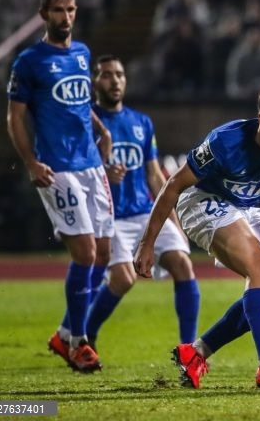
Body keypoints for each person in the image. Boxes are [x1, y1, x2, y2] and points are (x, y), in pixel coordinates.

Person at [133, 82, 260, 389]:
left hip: (244, 208)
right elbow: (173, 186)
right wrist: (147, 243)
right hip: (201, 201)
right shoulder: (226, 142)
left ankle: (196, 353)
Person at [6, 0, 114, 372]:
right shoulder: (29, 61)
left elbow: (80, 104)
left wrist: (101, 129)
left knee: (103, 253)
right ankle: (79, 342)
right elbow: (14, 117)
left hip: (91, 166)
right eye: (57, 10)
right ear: (43, 15)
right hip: (58, 168)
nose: (65, 17)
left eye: (70, 10)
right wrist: (31, 162)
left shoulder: (83, 53)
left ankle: (64, 334)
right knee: (85, 253)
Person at [88, 55, 200, 351]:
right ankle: (85, 334)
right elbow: (78, 171)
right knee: (124, 280)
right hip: (109, 216)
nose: (115, 81)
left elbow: (153, 175)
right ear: (94, 82)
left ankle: (189, 350)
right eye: (108, 75)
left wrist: (173, 220)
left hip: (143, 213)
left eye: (120, 75)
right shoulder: (88, 123)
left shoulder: (141, 122)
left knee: (183, 265)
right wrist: (102, 170)